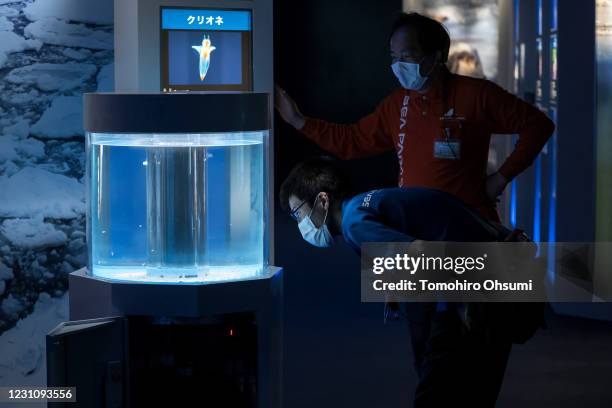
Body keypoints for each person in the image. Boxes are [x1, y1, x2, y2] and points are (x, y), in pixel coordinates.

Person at [279, 157, 536, 407]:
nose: (300, 224)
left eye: (297, 214)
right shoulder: (369, 202)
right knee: (475, 393)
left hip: (471, 302)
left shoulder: (353, 223)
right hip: (501, 279)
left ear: (322, 200)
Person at [275, 12, 555, 222]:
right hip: (415, 228)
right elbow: (352, 141)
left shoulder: (476, 94)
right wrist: (299, 121)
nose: (398, 66)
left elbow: (538, 125)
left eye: (407, 55)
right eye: (393, 56)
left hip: (468, 226)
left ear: (436, 56)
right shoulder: (397, 104)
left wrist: (501, 178)